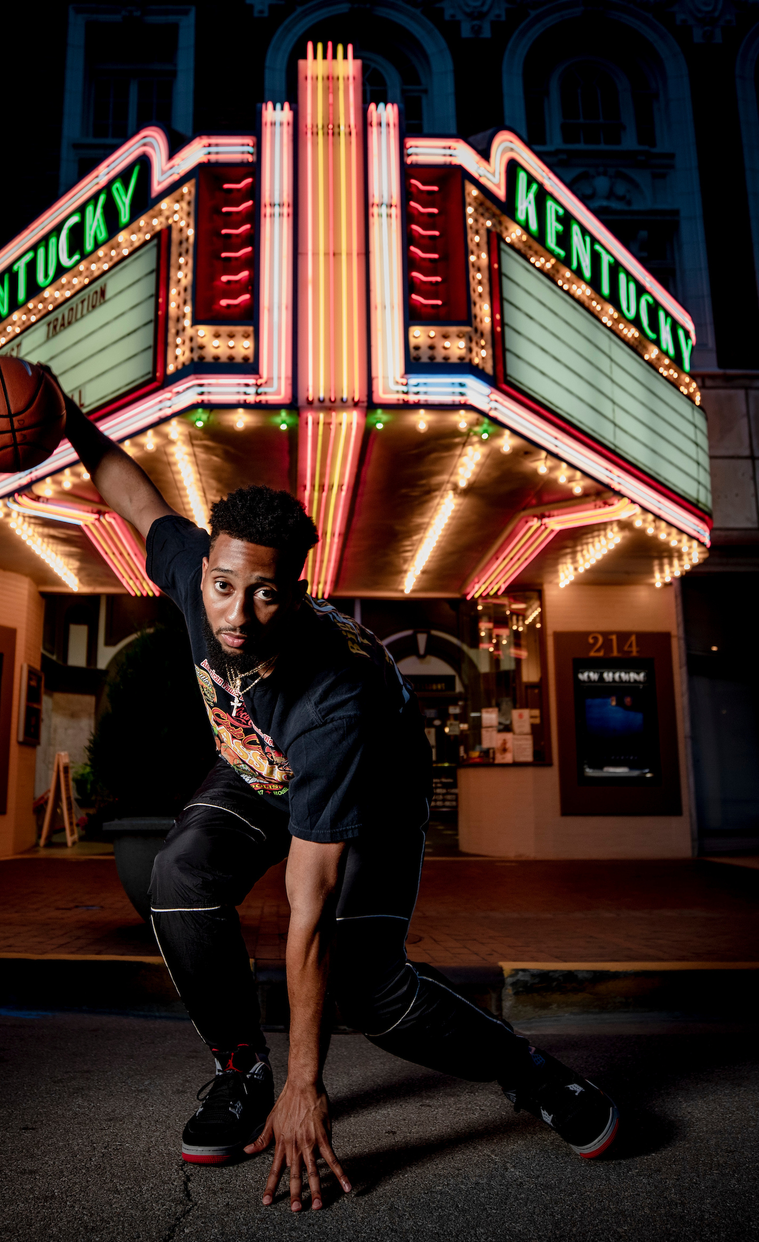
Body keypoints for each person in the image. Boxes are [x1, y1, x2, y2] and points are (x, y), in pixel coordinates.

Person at [60, 388, 619, 1212]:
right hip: (258, 766)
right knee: (178, 875)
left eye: (265, 595)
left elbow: (307, 904)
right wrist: (68, 421)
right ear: (204, 570)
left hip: (370, 789)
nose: (236, 614)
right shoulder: (196, 573)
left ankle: (527, 1072)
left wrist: (310, 1085)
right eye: (222, 586)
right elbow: (134, 493)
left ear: (296, 590)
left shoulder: (336, 698)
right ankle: (241, 1069)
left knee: (372, 989)